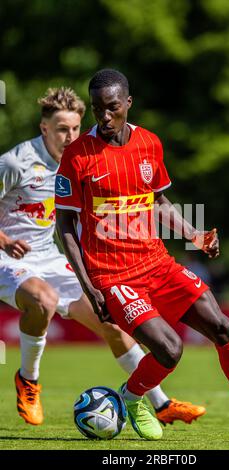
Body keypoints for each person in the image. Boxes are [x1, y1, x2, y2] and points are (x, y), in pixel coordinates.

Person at [55, 69, 229, 444]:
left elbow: (159, 203)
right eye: (97, 109)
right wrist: (90, 287)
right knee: (170, 350)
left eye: (112, 108)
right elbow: (66, 226)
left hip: (157, 263)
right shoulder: (76, 156)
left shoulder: (150, 143)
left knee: (224, 328)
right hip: (112, 275)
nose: (104, 117)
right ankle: (133, 397)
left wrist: (194, 236)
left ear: (128, 104)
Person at [0, 87, 206, 427]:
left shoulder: (79, 160)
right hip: (7, 259)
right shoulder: (14, 162)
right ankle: (29, 380)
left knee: (111, 323)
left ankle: (162, 403)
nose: (70, 136)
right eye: (61, 129)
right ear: (44, 128)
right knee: (43, 299)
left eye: (75, 129)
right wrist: (5, 239)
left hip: (49, 258)